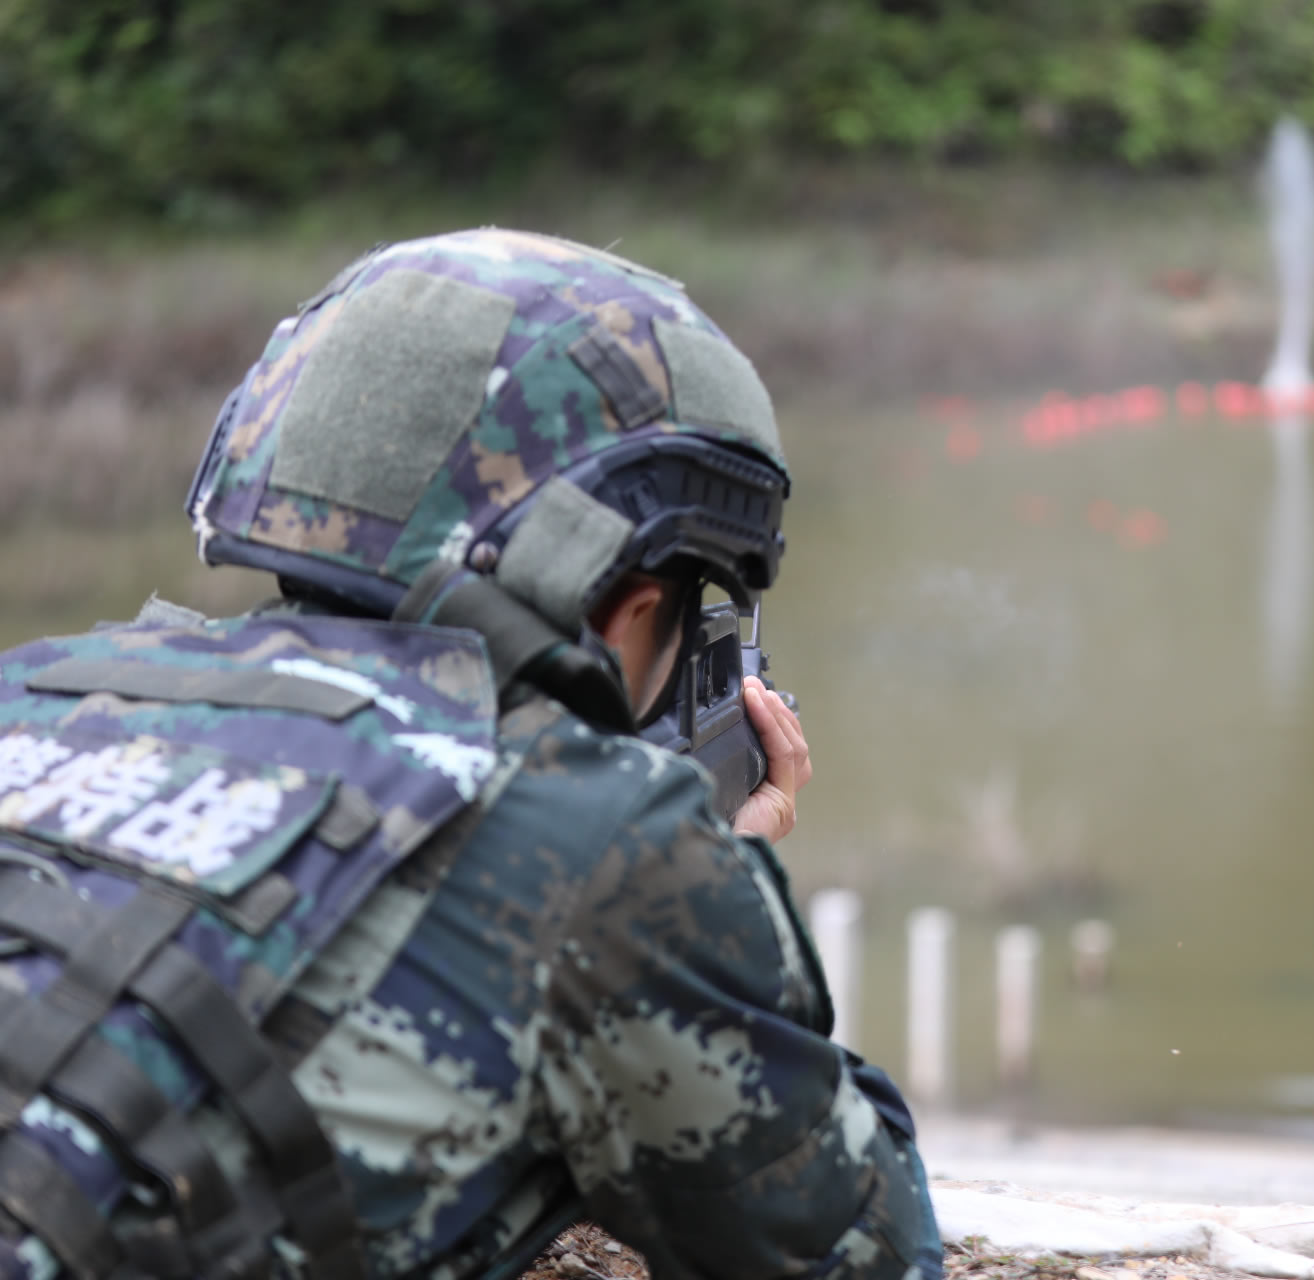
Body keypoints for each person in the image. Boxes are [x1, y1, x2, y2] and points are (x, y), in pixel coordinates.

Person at [0, 229, 942, 1280]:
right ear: (628, 610)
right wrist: (723, 882)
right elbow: (865, 1251)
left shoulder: (34, 688)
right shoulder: (589, 834)